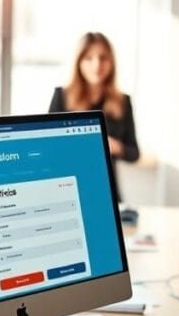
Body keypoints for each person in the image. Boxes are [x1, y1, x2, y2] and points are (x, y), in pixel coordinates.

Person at [48, 32, 139, 203]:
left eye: (103, 58)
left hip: (108, 190)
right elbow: (48, 148)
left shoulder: (123, 101)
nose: (97, 65)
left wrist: (115, 146)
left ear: (111, 62)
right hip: (67, 189)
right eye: (89, 58)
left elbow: (134, 153)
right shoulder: (62, 96)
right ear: (79, 62)